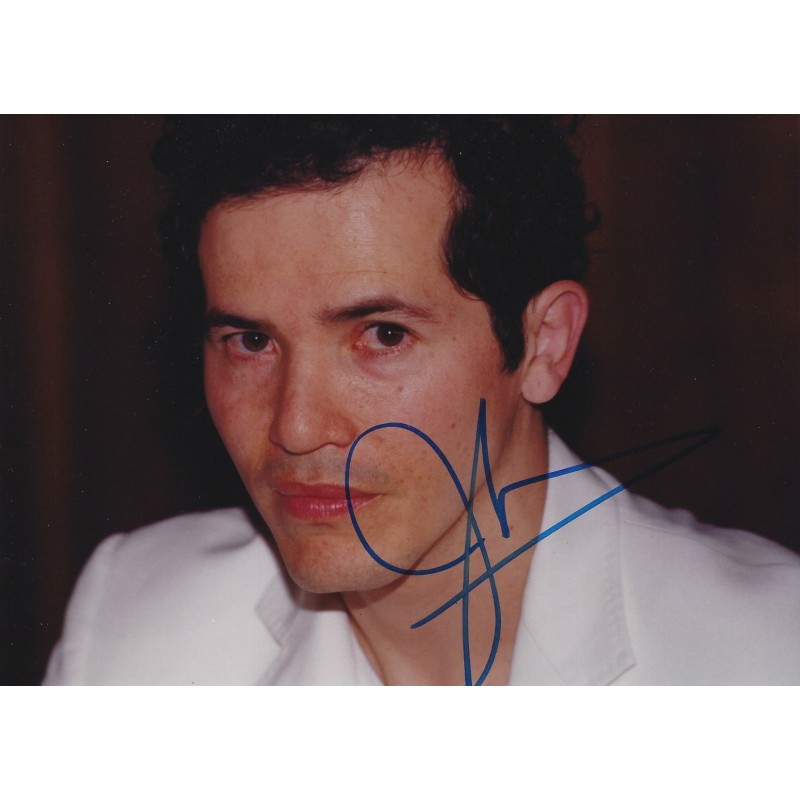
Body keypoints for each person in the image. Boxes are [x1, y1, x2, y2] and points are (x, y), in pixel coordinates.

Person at [43, 116, 800, 685]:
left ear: (543, 344)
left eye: (382, 335)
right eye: (250, 341)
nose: (295, 426)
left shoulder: (768, 654)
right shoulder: (127, 630)